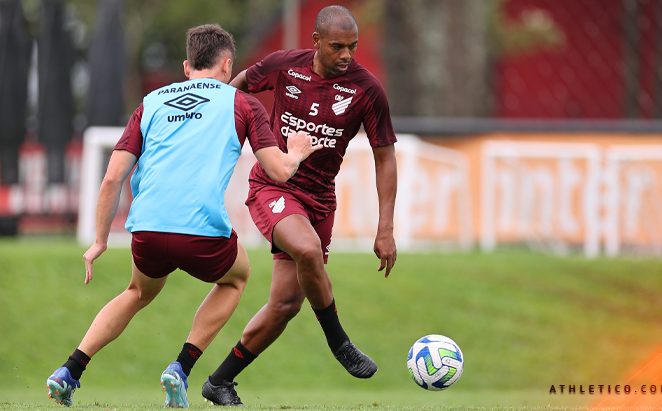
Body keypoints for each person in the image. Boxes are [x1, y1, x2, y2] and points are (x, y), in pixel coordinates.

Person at [46, 24, 319, 408]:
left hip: (147, 228)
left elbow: (111, 178)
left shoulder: (152, 101)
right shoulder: (242, 103)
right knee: (236, 278)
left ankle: (70, 370)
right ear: (228, 66)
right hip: (200, 231)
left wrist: (100, 240)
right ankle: (181, 367)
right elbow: (278, 171)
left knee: (137, 291)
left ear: (188, 66)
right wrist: (298, 151)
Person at [200, 5, 398, 406]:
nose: (347, 55)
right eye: (338, 47)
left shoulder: (367, 89)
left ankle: (218, 382)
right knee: (306, 249)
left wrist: (386, 228)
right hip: (274, 186)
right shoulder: (283, 67)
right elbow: (234, 89)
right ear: (316, 42)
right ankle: (340, 343)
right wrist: (216, 133)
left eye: (353, 47)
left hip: (320, 199)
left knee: (286, 305)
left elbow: (385, 157)